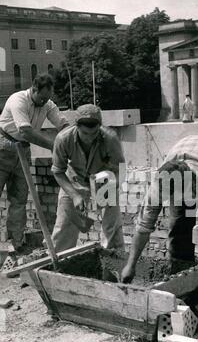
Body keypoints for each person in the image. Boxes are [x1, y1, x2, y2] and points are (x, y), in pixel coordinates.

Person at [121, 135, 198, 284]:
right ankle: (182, 284)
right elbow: (143, 228)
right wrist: (130, 265)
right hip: (188, 150)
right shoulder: (159, 187)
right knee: (180, 233)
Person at [0, 73, 69, 253]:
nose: (44, 102)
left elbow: (62, 124)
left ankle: (15, 243)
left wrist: (72, 139)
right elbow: (26, 132)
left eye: (48, 98)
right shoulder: (18, 100)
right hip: (3, 146)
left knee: (19, 199)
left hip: (22, 149)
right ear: (34, 89)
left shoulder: (47, 104)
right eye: (42, 97)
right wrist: (54, 146)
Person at [51, 104, 125, 252]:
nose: (90, 138)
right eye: (85, 133)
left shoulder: (110, 138)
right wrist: (75, 196)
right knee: (63, 227)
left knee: (112, 228)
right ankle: (59, 266)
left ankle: (113, 265)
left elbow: (120, 170)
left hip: (104, 182)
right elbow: (58, 172)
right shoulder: (63, 139)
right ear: (76, 127)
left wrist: (110, 187)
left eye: (94, 133)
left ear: (100, 127)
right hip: (73, 181)